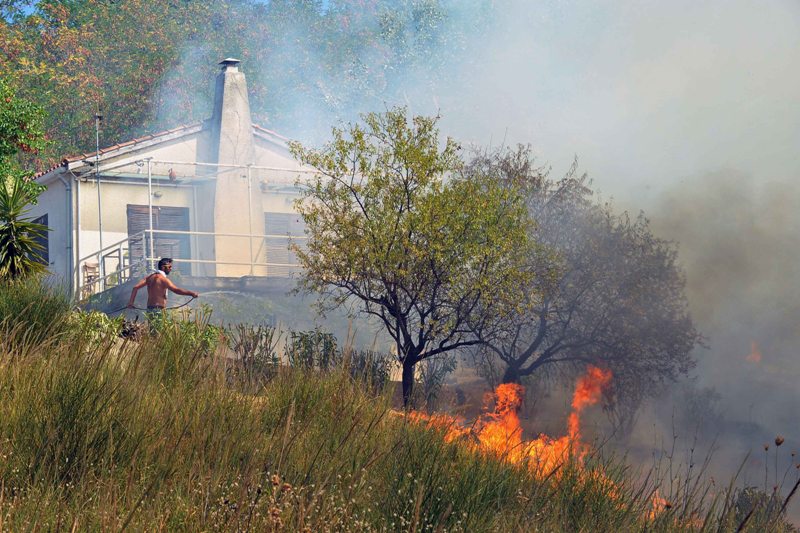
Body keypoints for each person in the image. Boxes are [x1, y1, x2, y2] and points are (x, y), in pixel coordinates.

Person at [127, 258, 199, 312]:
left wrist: (131, 302)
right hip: (159, 309)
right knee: (159, 332)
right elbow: (176, 290)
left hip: (149, 309)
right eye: (169, 267)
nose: (171, 269)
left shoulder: (149, 277)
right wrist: (191, 293)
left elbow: (135, 288)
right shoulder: (163, 279)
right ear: (163, 267)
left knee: (152, 331)